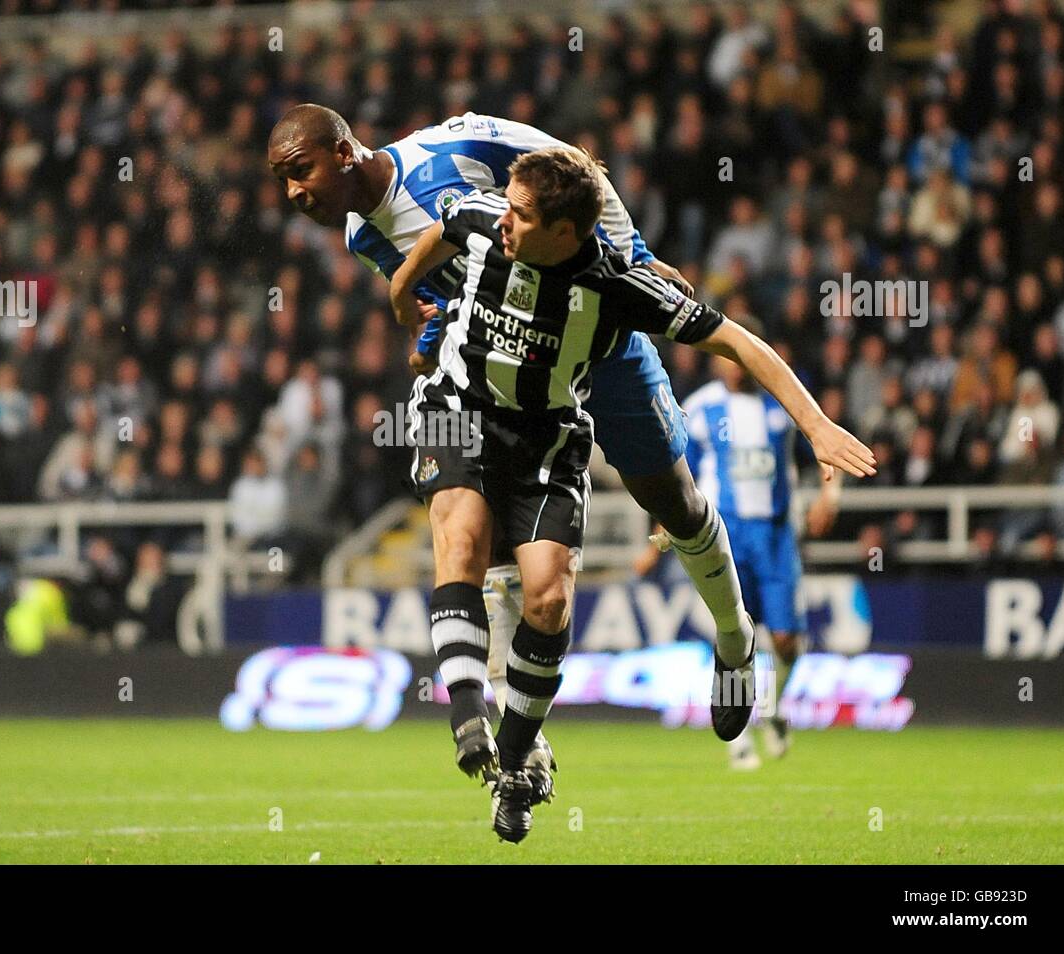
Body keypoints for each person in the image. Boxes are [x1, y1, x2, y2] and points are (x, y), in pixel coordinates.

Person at [267, 104, 764, 796]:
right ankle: (520, 735)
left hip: (599, 340)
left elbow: (576, 168)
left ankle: (735, 638)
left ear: (345, 152)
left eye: (301, 172)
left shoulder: (453, 149)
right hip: (510, 385)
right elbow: (443, 289)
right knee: (492, 546)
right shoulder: (362, 236)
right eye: (282, 181)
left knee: (671, 500)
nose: (294, 193)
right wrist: (428, 329)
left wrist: (638, 258)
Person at [387, 147, 875, 842]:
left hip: (549, 436)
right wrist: (404, 296)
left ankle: (524, 752)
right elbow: (439, 228)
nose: (505, 224)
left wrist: (815, 421)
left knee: (551, 597)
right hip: (457, 411)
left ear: (566, 232)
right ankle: (469, 717)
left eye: (523, 216)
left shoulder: (619, 283)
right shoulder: (485, 216)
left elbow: (739, 343)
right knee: (460, 539)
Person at [679, 340, 842, 769]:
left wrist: (831, 492)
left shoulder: (781, 401)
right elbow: (677, 474)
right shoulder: (699, 408)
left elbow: (823, 442)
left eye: (742, 358)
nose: (736, 367)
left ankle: (773, 707)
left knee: (787, 641)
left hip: (775, 535)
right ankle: (738, 738)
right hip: (726, 537)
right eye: (728, 358)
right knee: (734, 635)